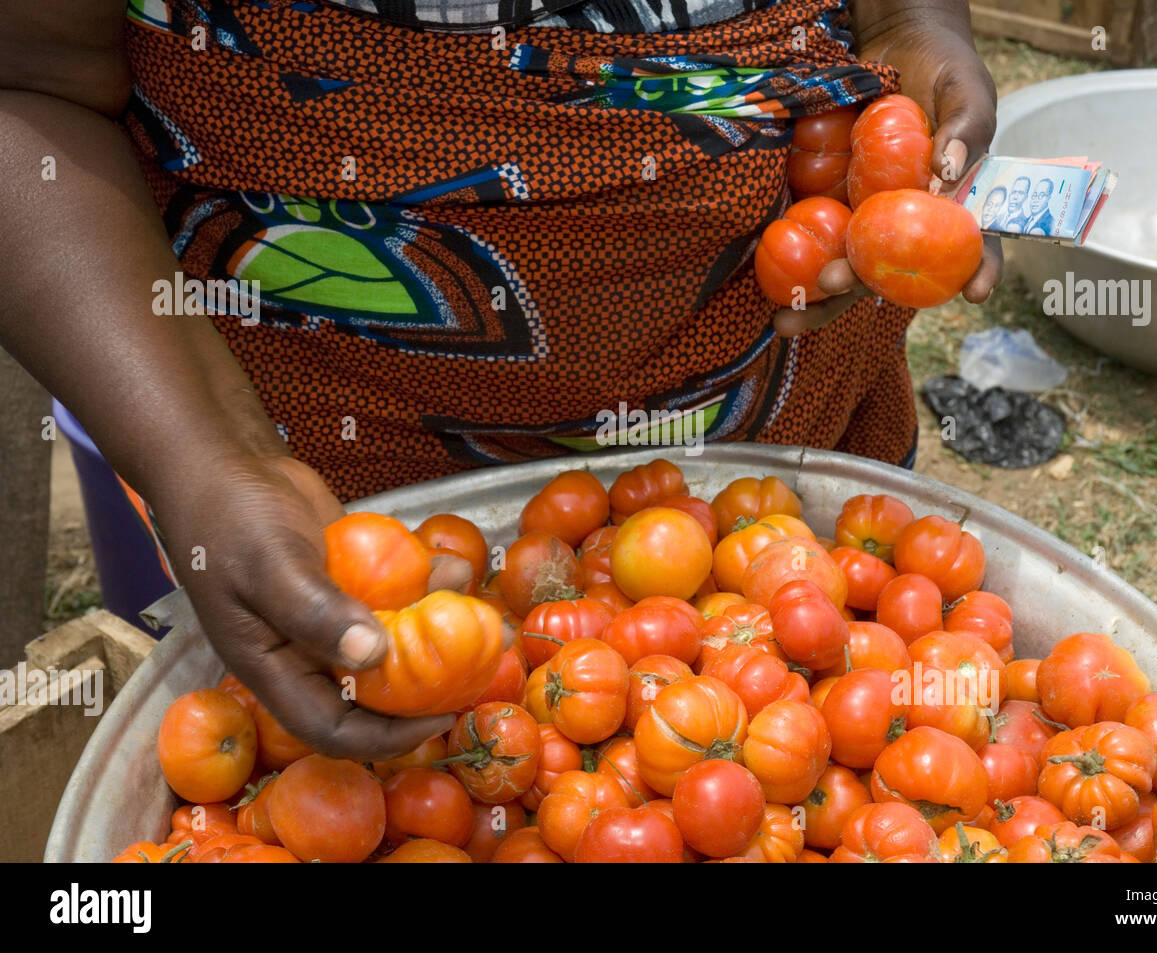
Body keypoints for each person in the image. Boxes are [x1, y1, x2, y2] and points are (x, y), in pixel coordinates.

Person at [0, 0, 1001, 759]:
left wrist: (911, 19)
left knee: (836, 685)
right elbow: (26, 80)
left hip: (786, 403)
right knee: (335, 727)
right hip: (312, 460)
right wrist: (206, 455)